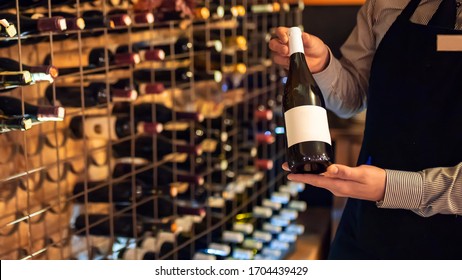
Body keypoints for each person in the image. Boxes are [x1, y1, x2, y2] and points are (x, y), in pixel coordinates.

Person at [269, 0, 462, 259]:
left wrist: (392, 187)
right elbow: (353, 97)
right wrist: (323, 64)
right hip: (367, 226)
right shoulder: (385, 4)